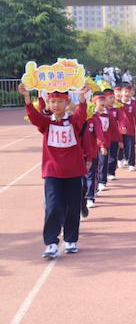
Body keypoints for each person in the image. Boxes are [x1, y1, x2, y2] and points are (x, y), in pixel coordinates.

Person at [18, 83, 90, 258]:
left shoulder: (73, 122)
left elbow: (81, 115)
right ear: (48, 104)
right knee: (53, 206)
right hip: (53, 172)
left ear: (66, 103)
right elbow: (34, 117)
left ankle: (71, 240)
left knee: (73, 207)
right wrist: (27, 97)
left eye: (59, 101)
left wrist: (81, 97)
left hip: (73, 171)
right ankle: (51, 242)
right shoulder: (46, 123)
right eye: (52, 101)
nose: (56, 105)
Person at [83, 92, 109, 209]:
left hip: (92, 152)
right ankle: (80, 197)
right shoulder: (77, 120)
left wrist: (102, 145)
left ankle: (90, 197)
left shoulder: (95, 119)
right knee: (80, 177)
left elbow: (99, 134)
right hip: (78, 154)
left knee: (91, 175)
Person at [103, 88, 127, 181]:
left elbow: (121, 119)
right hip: (103, 138)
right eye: (110, 97)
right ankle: (102, 176)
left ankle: (111, 172)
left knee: (113, 156)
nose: (112, 99)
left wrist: (123, 127)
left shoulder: (116, 110)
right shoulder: (101, 110)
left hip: (114, 136)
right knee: (103, 158)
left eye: (113, 97)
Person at [119, 83, 136, 171]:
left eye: (128, 92)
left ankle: (131, 164)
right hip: (119, 130)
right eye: (125, 91)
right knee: (120, 146)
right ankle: (120, 158)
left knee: (131, 146)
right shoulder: (117, 103)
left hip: (130, 130)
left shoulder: (133, 103)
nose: (127, 94)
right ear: (121, 92)